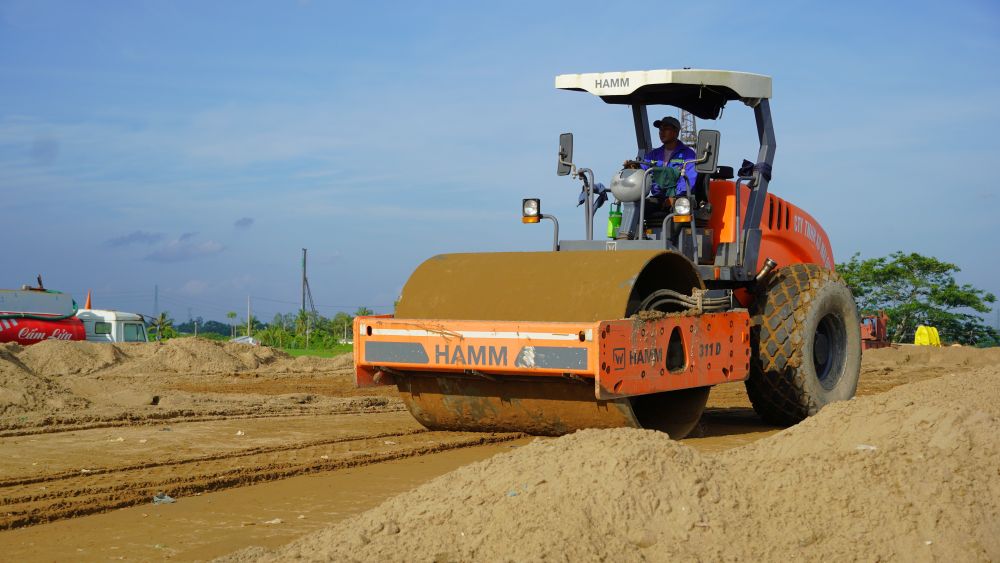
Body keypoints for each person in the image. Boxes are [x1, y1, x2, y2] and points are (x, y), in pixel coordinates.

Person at [617, 116, 698, 238]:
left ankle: (671, 242)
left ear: (676, 132)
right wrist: (633, 168)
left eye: (666, 129)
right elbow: (643, 171)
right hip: (658, 198)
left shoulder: (688, 154)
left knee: (678, 210)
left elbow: (689, 177)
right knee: (637, 206)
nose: (661, 132)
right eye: (660, 129)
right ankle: (633, 238)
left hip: (679, 198)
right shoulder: (653, 154)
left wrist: (676, 197)